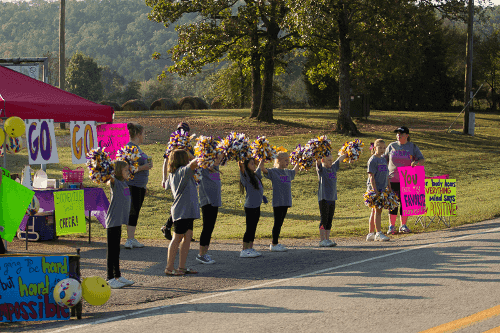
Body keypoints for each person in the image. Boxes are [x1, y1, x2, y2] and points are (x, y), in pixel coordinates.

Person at [164, 149, 199, 275]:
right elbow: (194, 163)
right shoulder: (181, 172)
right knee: (177, 238)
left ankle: (181, 267)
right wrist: (197, 154)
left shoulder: (178, 173)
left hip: (188, 210)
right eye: (186, 157)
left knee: (187, 236)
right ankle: (169, 267)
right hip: (181, 210)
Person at [384, 126, 425, 235]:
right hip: (392, 179)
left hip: (407, 179)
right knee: (393, 203)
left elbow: (421, 159)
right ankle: (391, 226)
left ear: (407, 135)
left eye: (401, 133)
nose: (399, 135)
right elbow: (384, 160)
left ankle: (403, 225)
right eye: (397, 133)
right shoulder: (391, 146)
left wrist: (416, 163)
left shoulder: (412, 146)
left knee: (405, 204)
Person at [260, 152, 299, 252]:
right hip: (278, 201)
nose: (288, 162)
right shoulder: (274, 172)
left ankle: (275, 243)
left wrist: (300, 160)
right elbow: (263, 169)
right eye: (285, 160)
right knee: (277, 223)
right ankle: (274, 244)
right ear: (278, 160)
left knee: (280, 223)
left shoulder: (288, 172)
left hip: (286, 201)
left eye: (288, 160)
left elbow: (295, 171)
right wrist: (262, 159)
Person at [105, 161, 135, 288]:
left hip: (119, 221)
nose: (128, 172)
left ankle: (118, 275)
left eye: (128, 170)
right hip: (112, 221)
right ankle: (109, 278)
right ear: (118, 172)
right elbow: (109, 178)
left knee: (116, 249)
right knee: (112, 250)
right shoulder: (115, 183)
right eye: (125, 170)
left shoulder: (124, 183)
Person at [125, 123, 153, 249]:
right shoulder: (130, 148)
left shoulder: (137, 148)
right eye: (143, 133)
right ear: (137, 134)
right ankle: (129, 239)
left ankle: (132, 238)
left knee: (135, 211)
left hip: (140, 185)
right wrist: (144, 167)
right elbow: (127, 169)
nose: (144, 136)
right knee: (132, 211)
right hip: (132, 185)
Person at [161, 121, 191, 241]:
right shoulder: (173, 144)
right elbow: (165, 161)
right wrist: (164, 178)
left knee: (185, 204)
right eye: (179, 130)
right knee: (180, 203)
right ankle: (169, 227)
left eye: (184, 130)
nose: (181, 132)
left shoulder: (188, 145)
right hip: (175, 177)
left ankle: (184, 231)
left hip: (186, 176)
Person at [196, 153, 223, 264]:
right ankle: (201, 254)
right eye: (217, 158)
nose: (219, 160)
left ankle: (205, 252)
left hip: (215, 202)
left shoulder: (216, 168)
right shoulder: (204, 168)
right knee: (207, 228)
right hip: (207, 202)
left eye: (220, 158)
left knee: (210, 228)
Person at [316, 151, 347, 247]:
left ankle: (327, 239)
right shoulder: (322, 170)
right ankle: (322, 240)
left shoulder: (333, 167)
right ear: (323, 160)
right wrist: (318, 153)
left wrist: (349, 151)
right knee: (324, 219)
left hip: (332, 198)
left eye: (331, 160)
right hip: (324, 198)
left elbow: (340, 159)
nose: (330, 162)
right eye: (328, 160)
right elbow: (317, 163)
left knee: (330, 219)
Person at [238, 158, 264, 258]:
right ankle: (244, 250)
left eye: (254, 163)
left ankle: (250, 248)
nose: (254, 165)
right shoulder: (246, 176)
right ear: (246, 166)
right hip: (250, 206)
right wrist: (241, 161)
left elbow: (260, 166)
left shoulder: (255, 175)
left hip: (257, 205)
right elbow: (241, 167)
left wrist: (262, 156)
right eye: (251, 163)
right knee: (249, 228)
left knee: (253, 227)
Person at [366, 139, 391, 242]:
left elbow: (387, 175)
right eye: (380, 147)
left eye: (384, 148)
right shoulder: (372, 160)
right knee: (378, 210)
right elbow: (371, 176)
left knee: (375, 210)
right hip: (375, 189)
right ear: (374, 148)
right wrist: (375, 190)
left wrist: (389, 187)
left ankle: (371, 233)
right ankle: (378, 233)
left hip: (382, 188)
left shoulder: (383, 160)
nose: (382, 150)